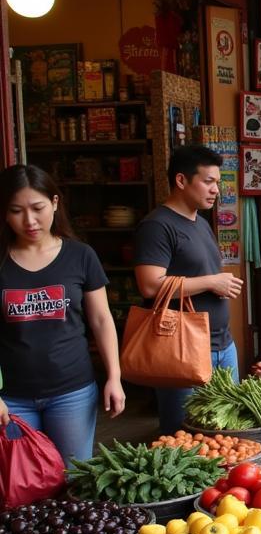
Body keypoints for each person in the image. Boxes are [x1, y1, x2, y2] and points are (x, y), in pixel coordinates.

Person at [0, 165, 125, 464]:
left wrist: (114, 376)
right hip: (12, 398)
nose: (29, 220)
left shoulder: (81, 256)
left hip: (72, 393)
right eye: (16, 210)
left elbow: (101, 320)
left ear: (55, 203)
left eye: (38, 208)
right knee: (22, 489)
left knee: (72, 479)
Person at [136, 146, 243, 435]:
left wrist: (214, 284)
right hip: (182, 348)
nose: (216, 190)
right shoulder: (157, 226)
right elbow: (149, 284)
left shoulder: (201, 223)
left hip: (222, 345)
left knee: (226, 435)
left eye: (218, 182)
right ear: (181, 181)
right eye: (208, 181)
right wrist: (211, 282)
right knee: (184, 436)